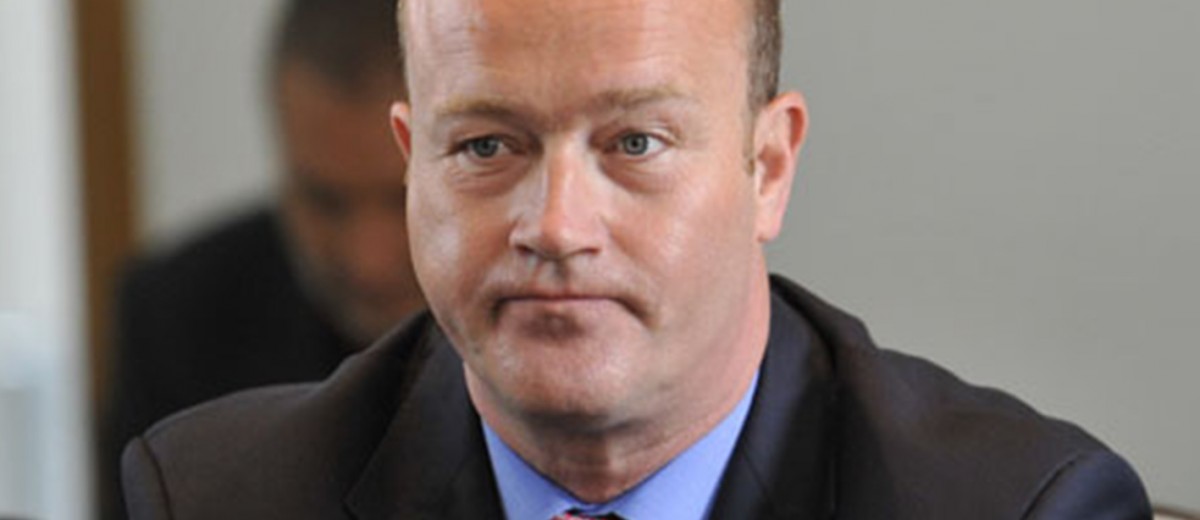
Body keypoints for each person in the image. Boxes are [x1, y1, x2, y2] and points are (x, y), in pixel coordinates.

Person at [120, 0, 1152, 518]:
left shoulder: (1015, 509)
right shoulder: (217, 497)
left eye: (635, 143)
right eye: (486, 146)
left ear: (767, 167)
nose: (556, 225)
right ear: (413, 165)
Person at [101, 0, 422, 518]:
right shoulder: (177, 315)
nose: (370, 262)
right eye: (324, 201)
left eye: (401, 197)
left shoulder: (536, 306)